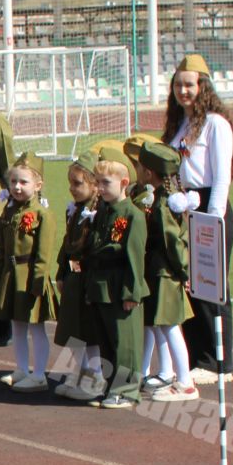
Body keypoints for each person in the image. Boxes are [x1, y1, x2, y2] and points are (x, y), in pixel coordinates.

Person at [163, 54, 233, 382]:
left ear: (203, 86)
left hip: (209, 207)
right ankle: (197, 357)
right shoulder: (179, 124)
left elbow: (222, 176)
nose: (184, 90)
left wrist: (214, 219)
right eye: (179, 84)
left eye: (190, 84)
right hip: (182, 209)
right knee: (189, 287)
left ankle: (219, 364)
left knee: (211, 286)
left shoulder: (215, 123)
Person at [127, 140, 198, 402]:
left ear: (148, 172)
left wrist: (183, 272)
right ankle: (167, 372)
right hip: (157, 271)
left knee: (169, 327)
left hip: (165, 273)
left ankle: (186, 382)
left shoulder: (163, 205)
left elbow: (172, 242)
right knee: (159, 325)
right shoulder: (157, 199)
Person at [79, 155, 148, 410]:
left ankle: (127, 390)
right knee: (107, 341)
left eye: (106, 182)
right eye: (97, 182)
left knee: (125, 342)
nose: (100, 188)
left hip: (120, 285)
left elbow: (134, 256)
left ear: (124, 183)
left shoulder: (133, 215)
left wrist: (132, 292)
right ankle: (111, 387)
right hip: (101, 285)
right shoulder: (103, 212)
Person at [0, 154, 63, 393]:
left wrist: (38, 281)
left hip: (29, 275)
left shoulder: (42, 215)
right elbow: (2, 248)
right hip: (12, 275)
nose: (17, 187)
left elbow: (44, 254)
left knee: (35, 327)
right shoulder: (10, 212)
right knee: (17, 326)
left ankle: (39, 374)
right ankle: (21, 369)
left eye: (23, 182)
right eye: (13, 182)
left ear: (38, 185)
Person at [52, 159, 101, 399]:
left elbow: (91, 250)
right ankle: (77, 376)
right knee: (73, 330)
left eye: (78, 183)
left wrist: (79, 272)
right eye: (70, 182)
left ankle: (95, 378)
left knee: (89, 331)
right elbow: (67, 245)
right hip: (74, 278)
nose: (72, 187)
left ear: (94, 185)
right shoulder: (75, 209)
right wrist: (62, 272)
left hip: (87, 279)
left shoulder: (96, 211)